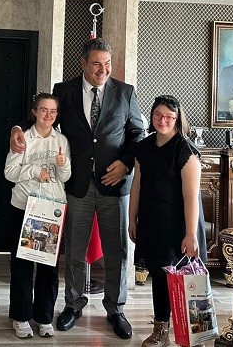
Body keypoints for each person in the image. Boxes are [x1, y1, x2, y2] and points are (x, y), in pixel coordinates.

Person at [10, 38, 146, 340]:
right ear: (83, 63)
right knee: (74, 250)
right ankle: (73, 305)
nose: (103, 70)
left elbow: (138, 132)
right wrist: (17, 128)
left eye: (107, 64)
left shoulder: (125, 92)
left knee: (117, 251)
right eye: (96, 63)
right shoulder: (64, 91)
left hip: (114, 185)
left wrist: (125, 163)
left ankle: (116, 309)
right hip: (76, 184)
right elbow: (42, 117)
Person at [128, 95, 207, 347]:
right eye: (158, 115)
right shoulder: (144, 147)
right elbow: (136, 185)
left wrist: (191, 234)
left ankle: (194, 332)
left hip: (180, 225)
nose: (163, 121)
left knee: (184, 278)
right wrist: (132, 219)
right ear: (151, 116)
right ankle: (161, 330)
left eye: (169, 117)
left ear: (177, 119)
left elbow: (191, 196)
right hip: (152, 222)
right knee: (159, 277)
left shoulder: (185, 150)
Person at [4, 92, 71, 339]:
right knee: (21, 265)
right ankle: (21, 316)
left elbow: (65, 177)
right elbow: (9, 172)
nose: (48, 115)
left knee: (48, 269)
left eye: (53, 111)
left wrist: (62, 164)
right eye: (43, 110)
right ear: (34, 112)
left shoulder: (61, 139)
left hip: (52, 210)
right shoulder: (23, 137)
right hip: (24, 207)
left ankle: (44, 317)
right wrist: (34, 170)